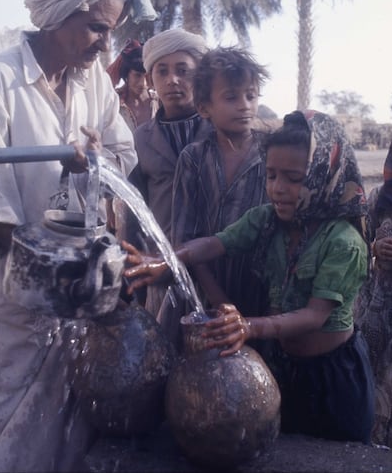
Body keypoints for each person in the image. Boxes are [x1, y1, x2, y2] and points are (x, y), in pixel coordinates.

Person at [0, 0, 157, 472]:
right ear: (58, 15)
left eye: (108, 33)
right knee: (5, 409)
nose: (103, 48)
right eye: (96, 29)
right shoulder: (0, 75)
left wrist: (94, 161)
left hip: (71, 289)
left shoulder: (93, 84)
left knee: (63, 423)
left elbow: (121, 152)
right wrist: (43, 265)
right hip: (6, 295)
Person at [123, 110, 375, 444]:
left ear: (323, 174)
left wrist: (248, 327)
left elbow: (315, 316)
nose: (278, 189)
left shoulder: (343, 242)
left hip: (333, 378)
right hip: (283, 367)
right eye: (270, 176)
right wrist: (168, 260)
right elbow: (216, 243)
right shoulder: (268, 219)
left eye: (293, 178)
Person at [171, 46, 270, 320]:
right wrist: (220, 301)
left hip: (266, 295)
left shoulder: (271, 152)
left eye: (251, 96)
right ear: (204, 108)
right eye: (231, 97)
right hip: (205, 295)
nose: (244, 105)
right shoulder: (194, 158)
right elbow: (184, 237)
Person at [129, 28, 212, 316]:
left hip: (215, 273)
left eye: (182, 70)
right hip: (159, 274)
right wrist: (133, 276)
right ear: (151, 79)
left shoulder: (219, 132)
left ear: (200, 76)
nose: (172, 80)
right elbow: (133, 210)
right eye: (161, 71)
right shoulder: (140, 139)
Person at [354, 118, 392, 450]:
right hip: (381, 317)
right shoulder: (381, 198)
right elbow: (356, 244)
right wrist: (375, 248)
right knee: (380, 392)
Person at [107, 39, 158, 132]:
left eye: (146, 76)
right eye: (137, 75)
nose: (143, 83)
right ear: (126, 75)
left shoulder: (159, 102)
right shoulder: (112, 102)